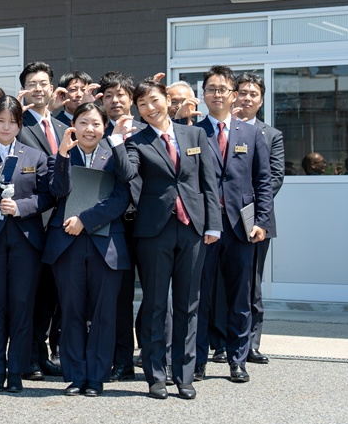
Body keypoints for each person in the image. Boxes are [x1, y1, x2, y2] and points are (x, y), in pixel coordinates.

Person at [109, 80, 221, 400]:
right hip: (153, 232)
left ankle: (184, 375)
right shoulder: (137, 140)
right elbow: (127, 174)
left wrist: (213, 224)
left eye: (154, 101)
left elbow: (208, 183)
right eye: (142, 104)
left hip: (193, 229)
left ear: (167, 99)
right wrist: (118, 139)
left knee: (189, 304)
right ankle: (156, 375)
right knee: (156, 305)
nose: (150, 108)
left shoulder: (194, 134)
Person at [0, 95, 52, 393]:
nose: (5, 127)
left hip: (24, 239)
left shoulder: (35, 156)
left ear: (19, 125)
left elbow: (47, 196)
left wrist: (21, 207)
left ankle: (16, 371)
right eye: (0, 121)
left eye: (12, 122)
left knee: (21, 305)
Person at [45, 103, 131, 397]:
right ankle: (75, 374)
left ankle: (97, 376)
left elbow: (122, 197)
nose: (89, 129)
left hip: (105, 244)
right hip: (67, 245)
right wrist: (62, 155)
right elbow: (57, 191)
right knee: (71, 312)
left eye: (95, 123)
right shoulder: (61, 154)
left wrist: (85, 220)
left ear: (104, 127)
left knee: (104, 313)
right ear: (73, 125)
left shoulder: (115, 155)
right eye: (83, 123)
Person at [194, 66, 272, 384]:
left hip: (242, 228)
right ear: (204, 94)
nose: (217, 94)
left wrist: (262, 221)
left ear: (233, 95)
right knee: (200, 298)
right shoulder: (193, 132)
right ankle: (195, 362)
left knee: (240, 298)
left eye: (222, 89)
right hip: (204, 229)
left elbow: (262, 181)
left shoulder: (251, 133)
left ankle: (237, 360)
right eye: (211, 89)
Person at [15, 61, 66, 381]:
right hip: (31, 219)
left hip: (62, 222)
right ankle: (28, 357)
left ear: (51, 88)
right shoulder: (17, 125)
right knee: (30, 293)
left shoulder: (63, 128)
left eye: (43, 83)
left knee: (51, 294)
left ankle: (44, 352)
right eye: (32, 83)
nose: (38, 88)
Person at [97, 71, 145, 382]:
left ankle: (156, 357)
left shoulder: (146, 132)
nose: (115, 100)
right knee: (119, 297)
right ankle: (121, 359)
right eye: (109, 96)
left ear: (131, 100)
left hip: (148, 224)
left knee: (156, 295)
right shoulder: (97, 134)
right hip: (113, 225)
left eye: (121, 95)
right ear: (100, 100)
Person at [234, 72, 285, 365]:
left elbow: (274, 178)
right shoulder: (220, 129)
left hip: (255, 220)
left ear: (261, 99)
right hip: (221, 218)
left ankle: (250, 344)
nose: (247, 98)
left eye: (253, 94)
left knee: (251, 284)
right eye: (242, 92)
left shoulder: (271, 134)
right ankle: (221, 343)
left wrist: (252, 212)